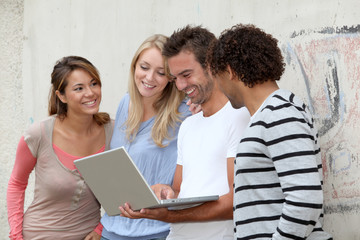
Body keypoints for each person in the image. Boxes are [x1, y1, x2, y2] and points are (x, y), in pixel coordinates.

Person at [119, 26, 250, 240]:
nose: (180, 85)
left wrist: (170, 216)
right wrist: (166, 194)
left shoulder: (239, 117)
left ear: (211, 66)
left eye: (186, 75)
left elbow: (238, 200)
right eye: (175, 78)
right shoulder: (189, 125)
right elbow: (179, 191)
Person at [207, 24, 333, 239]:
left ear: (230, 71)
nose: (218, 88)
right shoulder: (269, 115)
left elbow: (305, 198)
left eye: (216, 78)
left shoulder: (279, 114)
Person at [6, 56, 114, 240]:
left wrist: (101, 228)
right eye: (79, 88)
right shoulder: (39, 134)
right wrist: (16, 236)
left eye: (94, 83)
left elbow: (124, 191)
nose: (90, 93)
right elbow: (16, 184)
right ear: (61, 96)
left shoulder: (113, 132)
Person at [98, 34, 192, 240]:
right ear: (134, 67)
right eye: (144, 67)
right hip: (112, 229)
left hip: (154, 231)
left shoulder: (185, 112)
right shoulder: (126, 103)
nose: (149, 78)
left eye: (160, 72)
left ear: (171, 78)